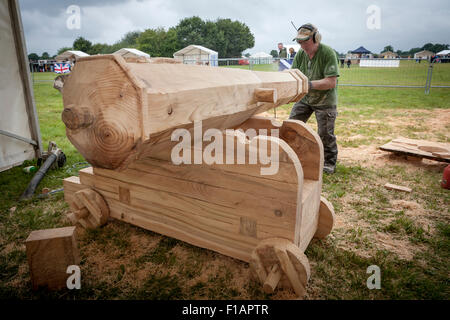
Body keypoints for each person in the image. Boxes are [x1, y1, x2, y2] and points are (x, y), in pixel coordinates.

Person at [289, 23, 340, 174]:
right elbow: (294, 75)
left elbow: (331, 82)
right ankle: (291, 156)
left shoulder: (328, 53)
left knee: (325, 133)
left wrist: (307, 84)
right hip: (305, 99)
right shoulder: (300, 54)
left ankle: (329, 162)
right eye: (299, 42)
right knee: (291, 126)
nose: (302, 45)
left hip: (325, 100)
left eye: (305, 41)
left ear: (316, 38)